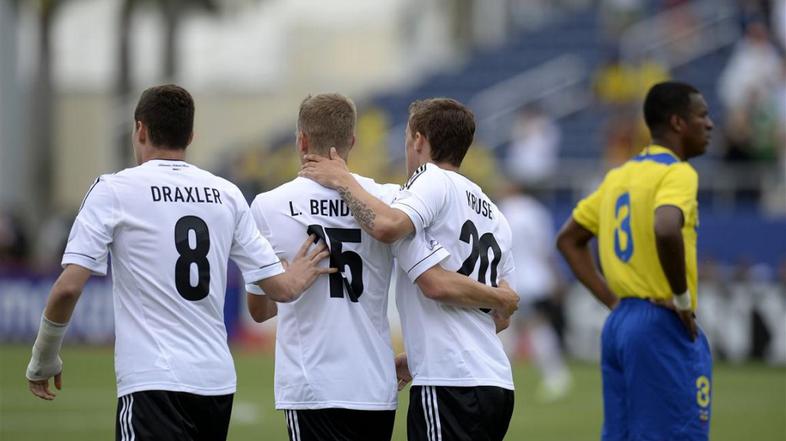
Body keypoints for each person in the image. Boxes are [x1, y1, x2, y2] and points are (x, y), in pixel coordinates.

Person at [25, 84, 334, 441]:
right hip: (215, 386)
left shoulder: (114, 190)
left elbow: (68, 288)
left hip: (152, 380)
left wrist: (44, 356)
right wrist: (301, 271)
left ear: (140, 129)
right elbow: (283, 288)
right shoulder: (227, 194)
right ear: (190, 135)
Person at [250, 93, 519, 441]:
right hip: (383, 385)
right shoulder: (408, 200)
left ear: (301, 139)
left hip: (318, 384)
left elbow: (258, 308)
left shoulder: (269, 205)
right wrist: (500, 298)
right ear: (353, 141)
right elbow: (501, 315)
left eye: (408, 139)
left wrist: (288, 283)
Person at [556, 81, 714, 441]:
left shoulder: (617, 177)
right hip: (661, 320)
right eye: (702, 115)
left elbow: (568, 241)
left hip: (620, 323)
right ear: (677, 123)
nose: (710, 124)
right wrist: (682, 300)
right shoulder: (678, 173)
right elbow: (666, 226)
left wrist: (614, 302)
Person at [497, 183, 572, 402]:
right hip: (536, 278)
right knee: (531, 326)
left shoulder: (500, 210)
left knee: (516, 327)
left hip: (511, 280)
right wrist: (556, 277)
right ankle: (555, 375)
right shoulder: (537, 211)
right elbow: (546, 248)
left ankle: (556, 376)